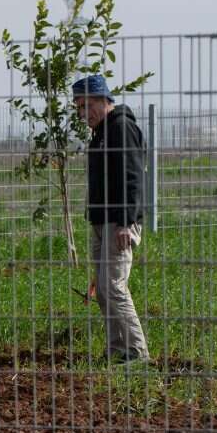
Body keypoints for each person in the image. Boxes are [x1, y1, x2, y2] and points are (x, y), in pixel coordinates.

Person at [72, 74, 149, 364]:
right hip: (101, 222)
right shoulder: (102, 133)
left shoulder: (122, 129)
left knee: (114, 287)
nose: (83, 113)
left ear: (105, 100)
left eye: (87, 105)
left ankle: (138, 353)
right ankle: (118, 350)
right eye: (79, 107)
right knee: (104, 290)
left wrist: (126, 223)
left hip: (119, 223)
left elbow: (132, 178)